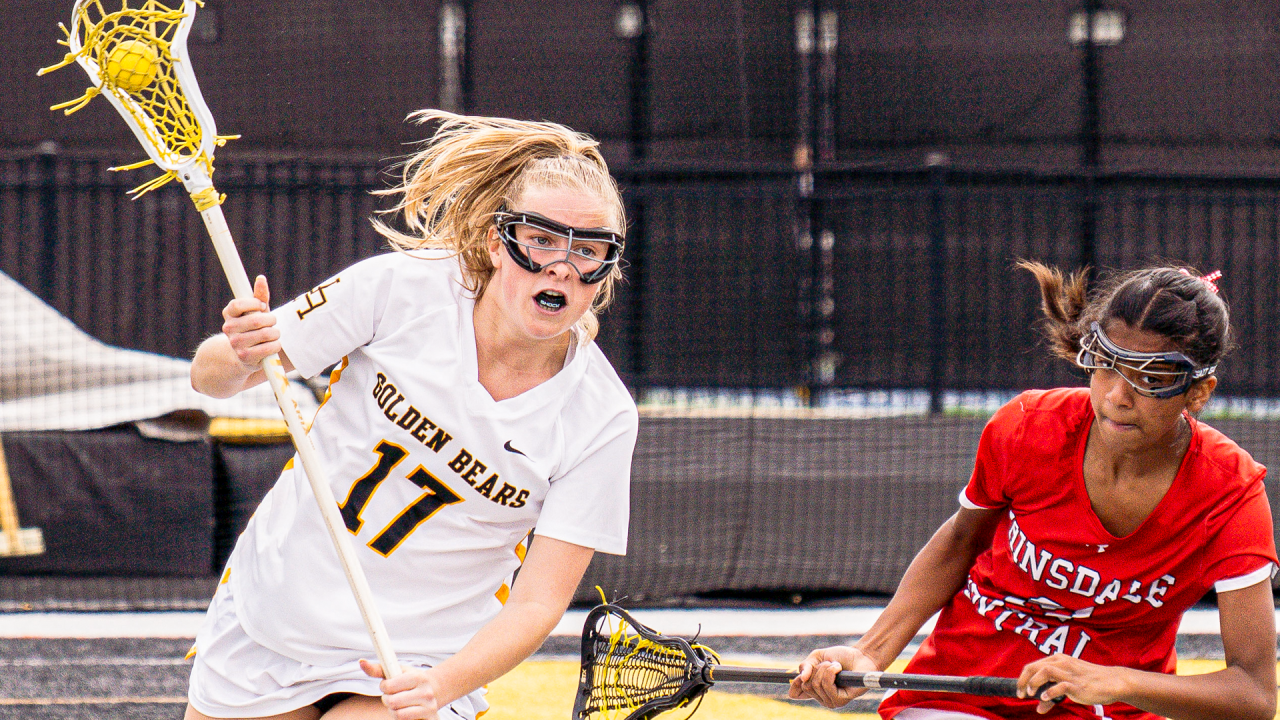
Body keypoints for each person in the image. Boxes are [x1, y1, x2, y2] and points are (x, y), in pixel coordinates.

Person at [184, 111, 639, 720]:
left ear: (604, 271)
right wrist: (241, 351)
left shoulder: (601, 415)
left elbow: (539, 602)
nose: (562, 265)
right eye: (541, 239)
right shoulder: (401, 289)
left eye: (588, 250)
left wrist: (444, 684)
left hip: (416, 662)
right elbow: (210, 377)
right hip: (272, 617)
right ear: (494, 242)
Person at [789, 262, 1278, 720]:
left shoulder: (1231, 493)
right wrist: (870, 650)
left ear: (1199, 391)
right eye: (1107, 363)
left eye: (1150, 377)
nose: (1116, 396)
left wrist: (1116, 682)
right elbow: (961, 540)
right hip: (961, 696)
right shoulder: (1027, 426)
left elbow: (1255, 694)